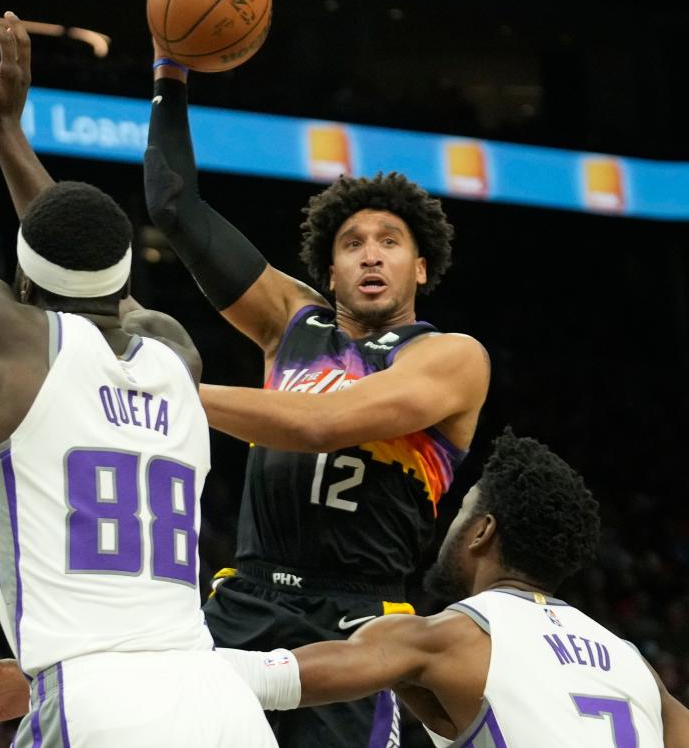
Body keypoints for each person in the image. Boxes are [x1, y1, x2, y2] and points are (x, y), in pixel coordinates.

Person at [0, 43, 276, 747]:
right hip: (218, 699)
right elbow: (87, 270)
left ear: (23, 281)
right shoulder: (172, 348)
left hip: (95, 700)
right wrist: (9, 134)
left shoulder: (10, 332)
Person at [0, 431, 689, 747]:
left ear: (482, 534)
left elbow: (273, 676)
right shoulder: (634, 667)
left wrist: (61, 681)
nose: (446, 527)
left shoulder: (449, 635)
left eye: (461, 515)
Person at [144, 44, 490, 746]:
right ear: (328, 272)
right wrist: (169, 75)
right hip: (243, 600)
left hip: (360, 625)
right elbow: (175, 208)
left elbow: (323, 424)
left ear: (419, 267)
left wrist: (170, 389)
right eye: (352, 242)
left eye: (389, 241)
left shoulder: (451, 357)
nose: (370, 253)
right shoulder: (290, 323)